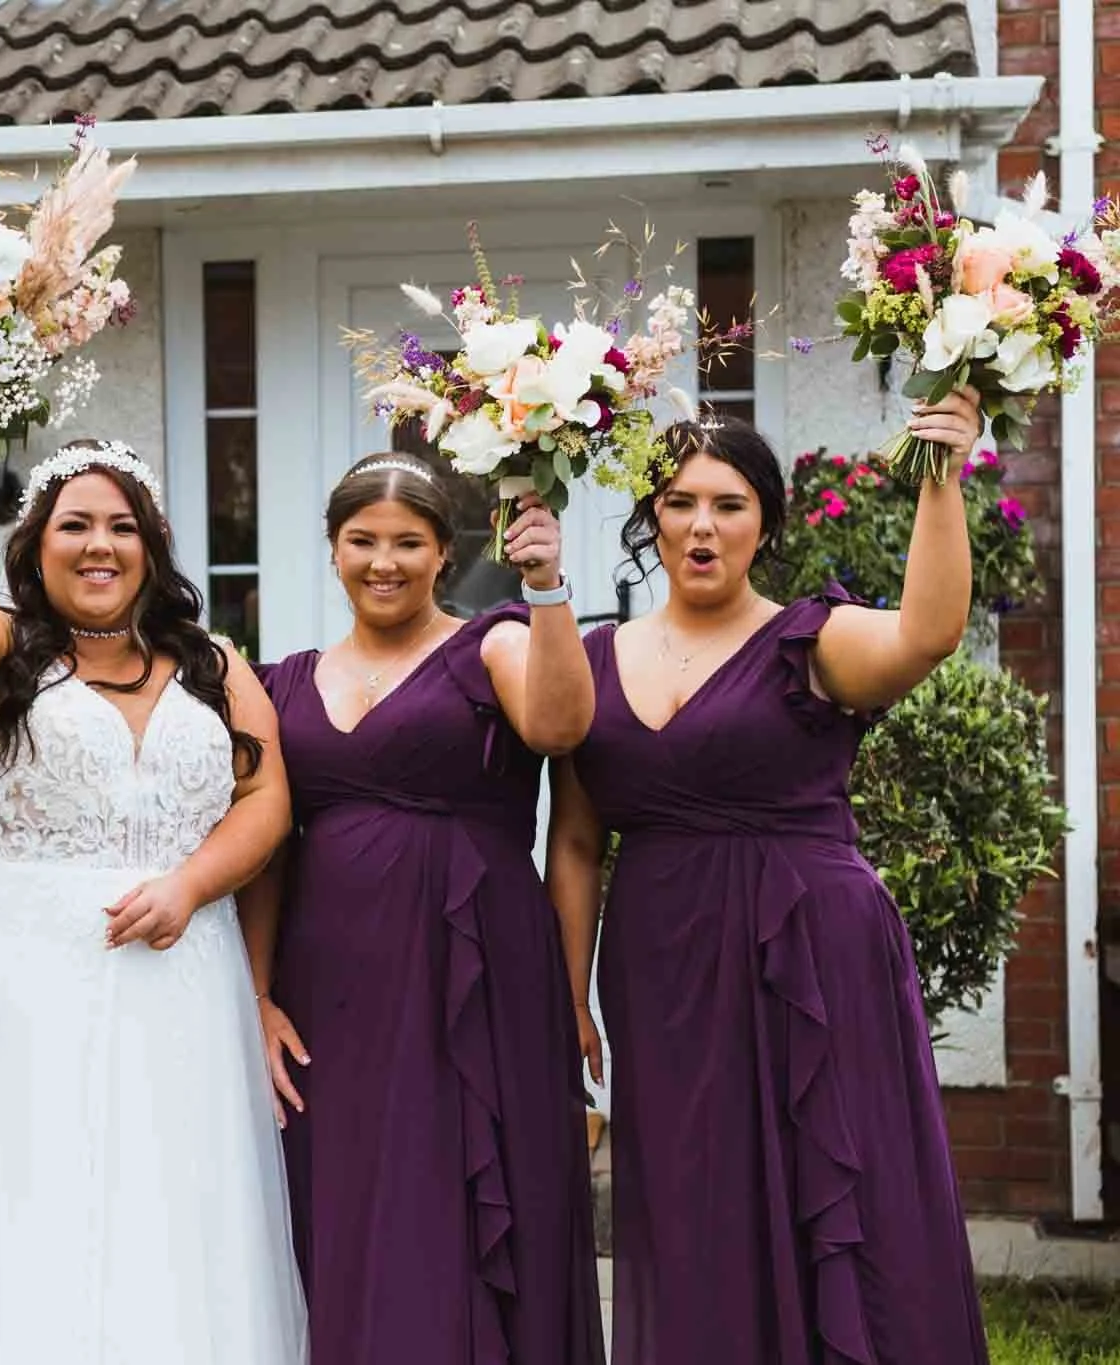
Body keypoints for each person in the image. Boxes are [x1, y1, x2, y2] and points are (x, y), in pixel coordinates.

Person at [0, 439, 308, 1365]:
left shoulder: (211, 664)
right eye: (76, 525)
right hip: (13, 1001)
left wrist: (191, 883)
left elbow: (267, 799)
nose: (100, 545)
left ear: (153, 545)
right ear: (35, 543)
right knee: (24, 1218)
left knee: (169, 1223)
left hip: (181, 994)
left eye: (122, 527)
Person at [546, 395, 988, 1364]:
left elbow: (927, 633)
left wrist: (942, 473)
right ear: (649, 517)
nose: (700, 526)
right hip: (662, 967)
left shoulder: (811, 640)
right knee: (693, 1204)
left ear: (766, 522)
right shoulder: (589, 660)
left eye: (728, 504)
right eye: (678, 502)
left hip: (810, 952)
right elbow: (574, 842)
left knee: (838, 1187)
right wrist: (569, 995)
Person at [244, 454, 603, 1365]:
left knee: (465, 1209)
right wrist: (257, 993)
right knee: (353, 1213)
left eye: (408, 542)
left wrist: (547, 585)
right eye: (362, 540)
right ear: (332, 549)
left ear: (444, 552)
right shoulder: (284, 682)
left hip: (476, 976)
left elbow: (560, 725)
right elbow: (264, 850)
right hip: (330, 998)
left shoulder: (496, 645)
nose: (384, 561)